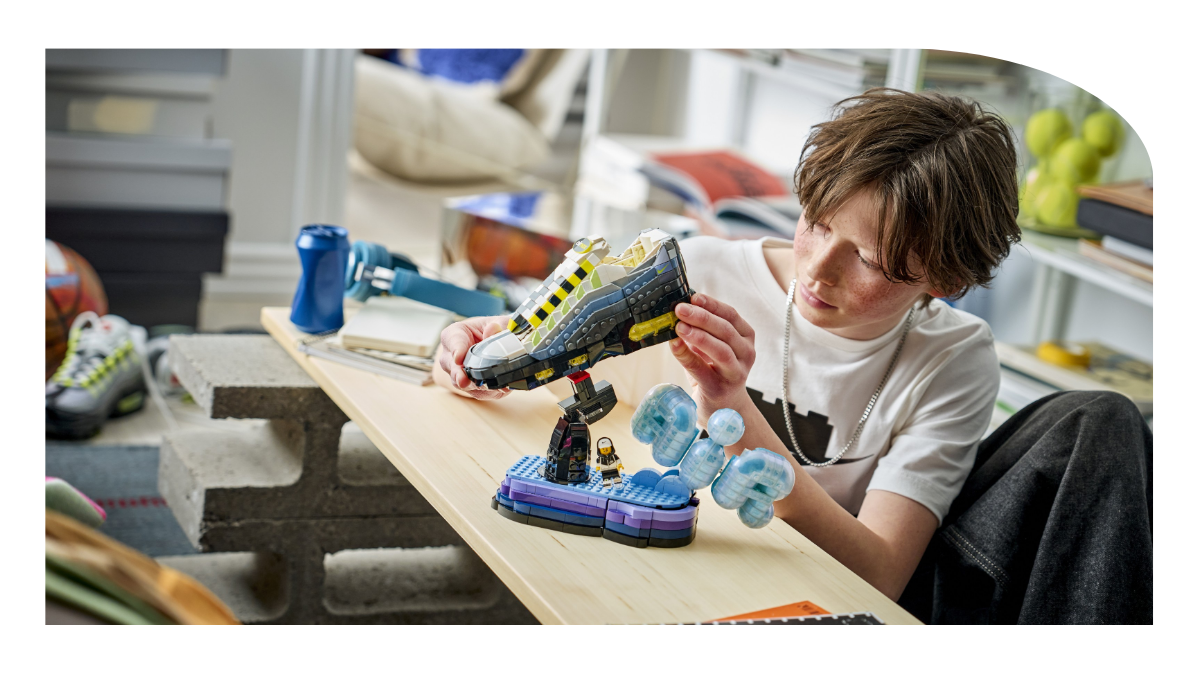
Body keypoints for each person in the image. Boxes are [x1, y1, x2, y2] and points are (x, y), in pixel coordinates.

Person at [434, 88, 1152, 623]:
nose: (819, 268)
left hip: (828, 600)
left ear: (943, 280)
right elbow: (537, 344)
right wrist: (469, 343)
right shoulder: (699, 274)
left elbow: (882, 571)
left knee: (1104, 422)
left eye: (868, 258)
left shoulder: (955, 357)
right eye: (814, 222)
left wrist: (734, 412)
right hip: (687, 572)